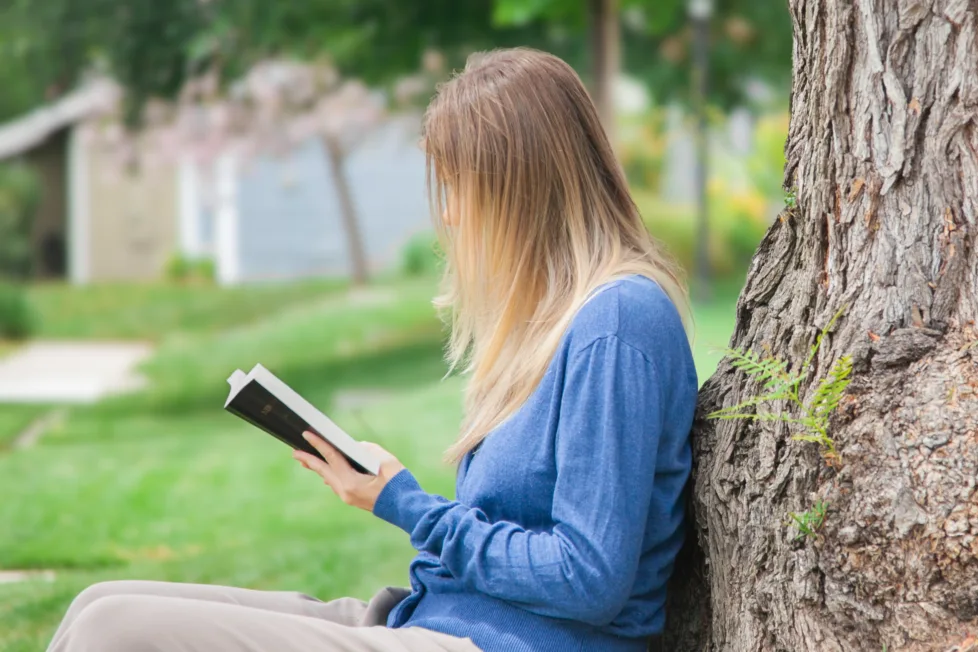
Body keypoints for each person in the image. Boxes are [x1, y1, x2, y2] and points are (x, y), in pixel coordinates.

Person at [47, 47, 698, 652]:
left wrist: (406, 504)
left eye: (457, 186)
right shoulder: (552, 324)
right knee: (95, 601)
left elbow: (589, 577)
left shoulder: (618, 322)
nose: (450, 214)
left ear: (517, 187)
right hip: (438, 620)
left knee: (113, 630)